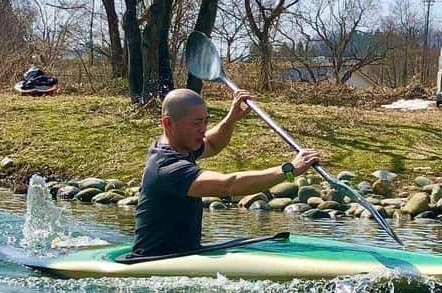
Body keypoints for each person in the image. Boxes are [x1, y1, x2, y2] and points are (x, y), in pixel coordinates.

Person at [128, 88, 320, 258]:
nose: (203, 130)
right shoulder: (167, 168)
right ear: (168, 123)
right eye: (197, 123)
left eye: (205, 121)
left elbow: (212, 144)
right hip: (155, 259)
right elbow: (228, 185)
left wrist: (231, 118)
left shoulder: (181, 146)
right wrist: (289, 170)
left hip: (185, 252)